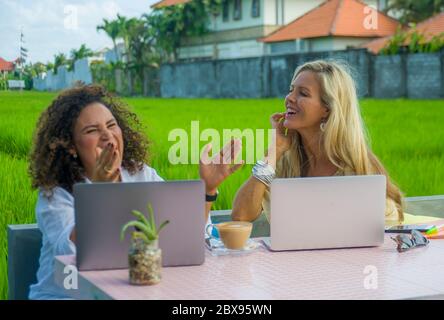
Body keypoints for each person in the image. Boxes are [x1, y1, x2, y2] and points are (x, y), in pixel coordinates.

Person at [28, 84, 243, 299]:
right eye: (92, 130)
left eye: (111, 125)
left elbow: (183, 234)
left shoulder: (141, 174)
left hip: (134, 290)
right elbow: (73, 258)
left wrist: (207, 188)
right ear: (71, 146)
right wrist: (102, 193)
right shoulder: (55, 193)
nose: (107, 136)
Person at [231, 60, 404, 225]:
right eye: (291, 90)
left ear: (327, 110)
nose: (289, 98)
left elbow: (384, 228)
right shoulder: (284, 163)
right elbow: (241, 215)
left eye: (303, 93)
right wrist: (274, 151)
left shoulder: (358, 168)